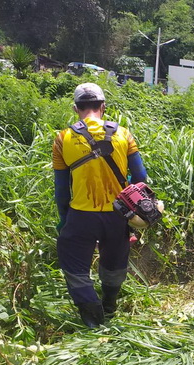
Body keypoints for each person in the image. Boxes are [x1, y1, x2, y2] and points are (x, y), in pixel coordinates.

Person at [52, 83, 149, 327]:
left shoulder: (63, 139)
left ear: (76, 109)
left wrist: (64, 219)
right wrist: (131, 209)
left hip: (81, 215)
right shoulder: (123, 134)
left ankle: (92, 317)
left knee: (74, 264)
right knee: (114, 261)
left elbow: (61, 189)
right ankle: (109, 305)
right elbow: (140, 178)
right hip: (118, 213)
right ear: (103, 107)